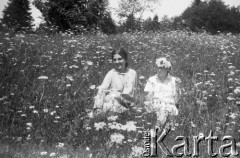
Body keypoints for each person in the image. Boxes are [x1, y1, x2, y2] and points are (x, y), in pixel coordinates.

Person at [93, 48, 138, 116]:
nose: (117, 62)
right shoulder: (111, 73)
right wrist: (98, 107)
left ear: (125, 59)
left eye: (120, 59)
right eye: (114, 60)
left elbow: (130, 92)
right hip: (112, 103)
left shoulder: (132, 73)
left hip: (127, 104)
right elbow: (102, 89)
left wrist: (118, 96)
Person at [144, 57, 181, 128]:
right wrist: (150, 107)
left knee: (165, 112)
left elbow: (176, 101)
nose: (159, 70)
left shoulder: (174, 81)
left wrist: (177, 87)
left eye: (162, 68)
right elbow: (148, 98)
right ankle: (159, 130)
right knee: (159, 113)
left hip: (169, 107)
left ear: (167, 69)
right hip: (155, 106)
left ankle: (159, 130)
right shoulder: (152, 80)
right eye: (158, 68)